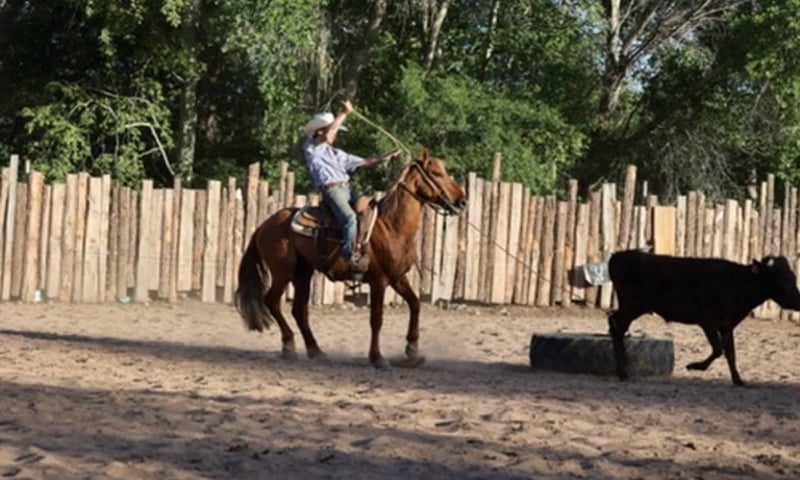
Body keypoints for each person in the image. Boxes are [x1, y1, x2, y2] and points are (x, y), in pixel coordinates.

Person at [301, 100, 399, 270]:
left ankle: (365, 247)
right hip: (332, 190)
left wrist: (385, 158)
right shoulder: (312, 147)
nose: (335, 135)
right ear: (320, 131)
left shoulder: (338, 154)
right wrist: (345, 113)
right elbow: (330, 133)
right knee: (349, 218)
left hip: (346, 188)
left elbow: (364, 162)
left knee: (368, 210)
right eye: (332, 130)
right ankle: (349, 255)